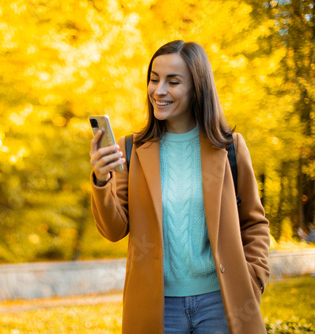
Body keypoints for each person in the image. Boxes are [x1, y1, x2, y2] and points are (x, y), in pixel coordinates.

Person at [89, 40, 270, 334]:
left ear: (197, 87)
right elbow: (113, 230)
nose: (158, 91)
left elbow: (254, 223)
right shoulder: (132, 149)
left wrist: (254, 278)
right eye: (154, 79)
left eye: (173, 82)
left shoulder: (229, 148)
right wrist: (101, 180)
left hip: (221, 303)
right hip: (157, 307)